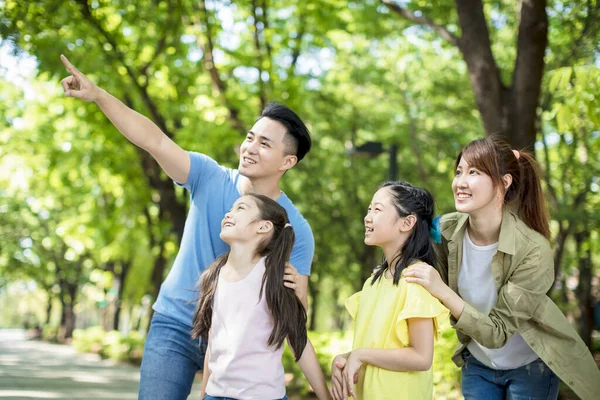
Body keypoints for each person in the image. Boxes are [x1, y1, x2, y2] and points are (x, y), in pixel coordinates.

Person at [59, 55, 315, 399]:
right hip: (176, 326)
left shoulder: (294, 229)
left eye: (264, 144)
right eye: (250, 137)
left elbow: (293, 309)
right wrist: (100, 95)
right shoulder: (208, 176)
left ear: (288, 162)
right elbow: (154, 140)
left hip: (237, 343)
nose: (249, 148)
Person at [403, 136, 600, 399]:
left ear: (504, 182)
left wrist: (441, 290)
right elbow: (409, 250)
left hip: (531, 368)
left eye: (473, 172)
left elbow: (497, 333)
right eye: (459, 171)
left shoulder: (533, 249)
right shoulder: (446, 231)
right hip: (478, 364)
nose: (460, 182)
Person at [191, 194, 330, 400]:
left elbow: (297, 340)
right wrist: (204, 395)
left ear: (263, 227)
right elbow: (214, 342)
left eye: (241, 208)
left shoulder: (274, 276)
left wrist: (325, 396)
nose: (229, 213)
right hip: (216, 394)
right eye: (230, 209)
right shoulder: (214, 275)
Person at [330, 181, 447, 400]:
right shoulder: (372, 283)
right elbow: (377, 349)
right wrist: (344, 359)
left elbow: (421, 358)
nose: (368, 217)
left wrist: (361, 355)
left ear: (407, 222)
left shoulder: (417, 279)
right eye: (368, 209)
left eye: (377, 209)